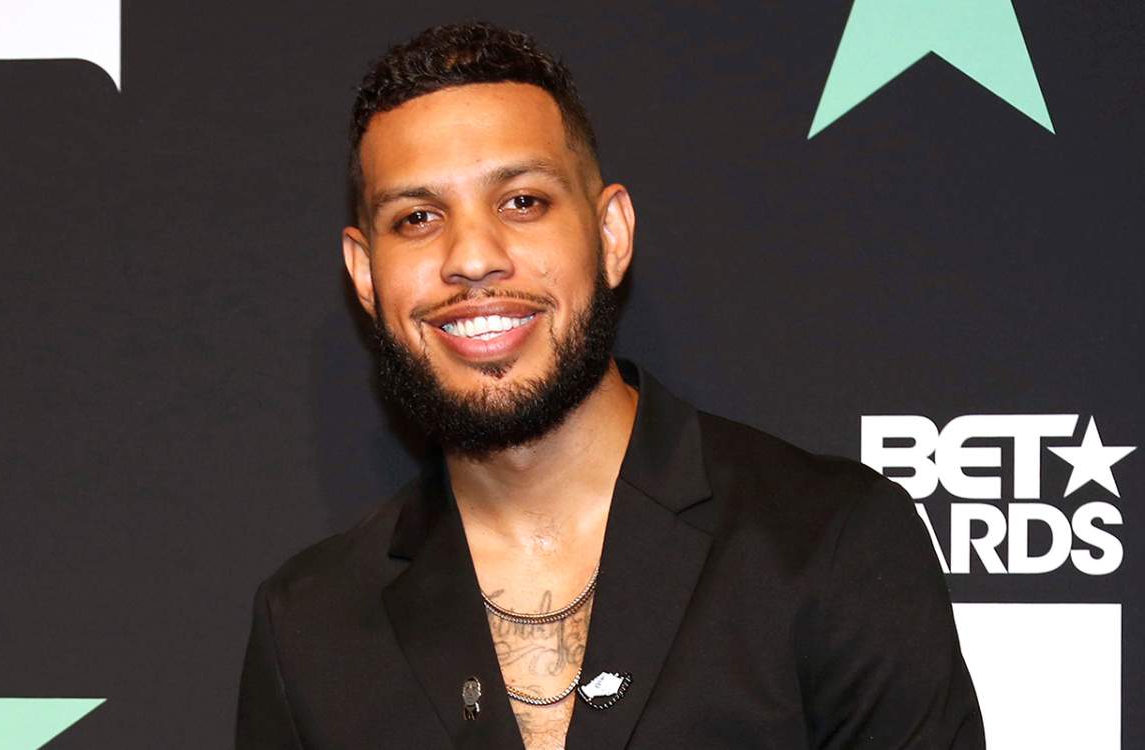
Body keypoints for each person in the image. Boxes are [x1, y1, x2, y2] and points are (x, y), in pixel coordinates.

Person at [234, 21, 984, 750]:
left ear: (611, 234)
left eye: (522, 202)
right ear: (366, 275)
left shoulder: (828, 542)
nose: (472, 257)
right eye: (418, 217)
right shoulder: (307, 626)